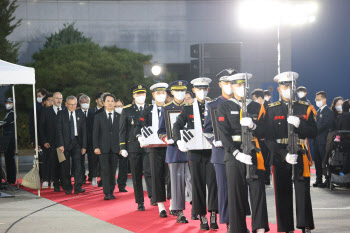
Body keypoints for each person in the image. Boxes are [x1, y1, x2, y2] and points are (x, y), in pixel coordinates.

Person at [263, 72, 316, 233]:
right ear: (279, 88)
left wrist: (300, 124)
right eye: (284, 86)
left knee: (303, 192)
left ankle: (305, 225)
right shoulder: (271, 109)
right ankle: (285, 228)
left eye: (290, 86)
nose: (287, 89)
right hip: (281, 155)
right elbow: (268, 138)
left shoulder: (305, 107)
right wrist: (283, 154)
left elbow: (314, 132)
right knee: (282, 193)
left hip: (299, 152)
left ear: (294, 87)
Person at [217, 73, 269, 233]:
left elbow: (265, 131)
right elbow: (223, 134)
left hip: (254, 153)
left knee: (258, 192)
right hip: (235, 156)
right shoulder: (225, 107)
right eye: (238, 85)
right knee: (236, 196)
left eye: (244, 85)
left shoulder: (256, 106)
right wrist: (235, 153)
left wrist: (254, 126)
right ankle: (238, 229)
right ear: (232, 86)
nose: (241, 88)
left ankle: (259, 228)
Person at [173, 78, 219, 230]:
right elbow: (177, 125)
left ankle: (213, 214)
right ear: (193, 90)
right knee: (197, 185)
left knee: (213, 184)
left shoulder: (213, 106)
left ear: (208, 90)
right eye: (199, 88)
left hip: (211, 150)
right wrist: (179, 141)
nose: (202, 91)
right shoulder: (188, 108)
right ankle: (202, 216)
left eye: (205, 88)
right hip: (194, 152)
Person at [203, 68, 238, 231]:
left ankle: (239, 219)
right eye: (226, 82)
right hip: (221, 153)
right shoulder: (213, 105)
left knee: (239, 188)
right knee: (224, 189)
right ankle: (228, 221)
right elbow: (207, 130)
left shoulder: (241, 102)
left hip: (240, 152)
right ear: (220, 84)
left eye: (232, 82)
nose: (229, 85)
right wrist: (213, 140)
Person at [158, 80, 190, 224]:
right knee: (177, 183)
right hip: (175, 150)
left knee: (194, 181)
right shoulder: (166, 109)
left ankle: (199, 210)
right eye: (177, 90)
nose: (180, 93)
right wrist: (167, 139)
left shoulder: (191, 107)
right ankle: (180, 212)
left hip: (193, 149)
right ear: (172, 92)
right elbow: (161, 131)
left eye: (183, 90)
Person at [137, 83, 169, 217]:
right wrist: (139, 137)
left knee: (170, 176)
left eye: (163, 93)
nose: (161, 95)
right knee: (157, 176)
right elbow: (139, 125)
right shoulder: (147, 110)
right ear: (153, 95)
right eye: (158, 93)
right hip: (154, 148)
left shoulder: (170, 108)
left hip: (169, 147)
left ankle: (173, 204)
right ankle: (161, 205)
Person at [119, 84, 153, 211]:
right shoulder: (127, 110)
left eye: (143, 94)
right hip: (133, 147)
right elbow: (122, 130)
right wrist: (122, 146)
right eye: (138, 94)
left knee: (149, 172)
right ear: (133, 96)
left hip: (149, 145)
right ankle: (140, 202)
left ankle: (152, 196)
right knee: (136, 175)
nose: (141, 96)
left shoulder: (151, 108)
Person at [56, 96, 87, 194]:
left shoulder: (80, 114)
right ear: (66, 104)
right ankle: (67, 187)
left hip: (77, 143)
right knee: (65, 166)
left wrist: (84, 146)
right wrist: (60, 144)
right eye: (70, 104)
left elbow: (84, 131)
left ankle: (78, 187)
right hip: (65, 144)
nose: (72, 106)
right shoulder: (61, 114)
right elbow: (59, 130)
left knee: (78, 166)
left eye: (74, 104)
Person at [93, 93, 121, 200]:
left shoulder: (119, 116)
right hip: (102, 148)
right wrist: (96, 147)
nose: (110, 103)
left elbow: (121, 133)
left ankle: (112, 190)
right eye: (108, 101)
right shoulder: (98, 116)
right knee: (105, 170)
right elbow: (95, 133)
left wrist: (121, 147)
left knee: (113, 170)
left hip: (115, 148)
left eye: (112, 101)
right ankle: (106, 192)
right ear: (103, 103)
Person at [39, 92, 64, 191]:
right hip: (50, 142)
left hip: (62, 143)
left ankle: (59, 181)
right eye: (57, 98)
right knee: (51, 161)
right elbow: (41, 127)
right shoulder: (46, 111)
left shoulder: (65, 110)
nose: (59, 100)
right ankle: (50, 180)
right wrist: (44, 141)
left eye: (60, 98)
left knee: (62, 162)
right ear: (53, 99)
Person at [313, 91, 334, 188]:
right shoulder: (316, 112)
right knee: (317, 161)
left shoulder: (329, 112)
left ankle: (328, 180)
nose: (317, 101)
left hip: (324, 141)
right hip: (316, 141)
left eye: (318, 99)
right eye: (316, 100)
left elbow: (325, 125)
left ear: (324, 99)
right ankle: (318, 180)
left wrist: (314, 131)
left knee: (325, 161)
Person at [252, 88, 271, 186]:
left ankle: (266, 179)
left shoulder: (269, 107)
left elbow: (270, 124)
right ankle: (263, 177)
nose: (254, 101)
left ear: (259, 98)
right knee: (262, 158)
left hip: (266, 139)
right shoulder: (257, 107)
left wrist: (266, 136)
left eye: (255, 98)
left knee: (266, 159)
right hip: (259, 138)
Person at [38, 93, 54, 188]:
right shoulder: (43, 112)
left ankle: (53, 179)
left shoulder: (58, 110)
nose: (51, 102)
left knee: (54, 161)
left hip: (56, 142)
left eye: (53, 100)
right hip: (46, 142)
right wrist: (44, 141)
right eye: (49, 100)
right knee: (45, 161)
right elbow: (41, 128)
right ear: (44, 102)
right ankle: (45, 179)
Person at [76, 94, 92, 184]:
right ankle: (81, 177)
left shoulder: (93, 112)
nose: (85, 104)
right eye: (83, 102)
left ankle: (91, 176)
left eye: (87, 102)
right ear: (80, 103)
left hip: (91, 141)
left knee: (92, 160)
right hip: (80, 141)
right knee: (80, 161)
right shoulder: (76, 112)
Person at [0, 97, 16, 184]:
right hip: (7, 139)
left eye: (10, 103)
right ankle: (10, 179)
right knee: (7, 159)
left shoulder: (12, 113)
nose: (8, 104)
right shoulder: (8, 113)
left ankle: (11, 179)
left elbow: (5, 122)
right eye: (7, 102)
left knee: (10, 159)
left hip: (10, 140)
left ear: (13, 104)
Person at [114, 99, 128, 192]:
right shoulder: (111, 116)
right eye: (116, 106)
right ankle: (110, 185)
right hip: (113, 146)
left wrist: (122, 147)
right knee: (112, 167)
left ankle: (122, 185)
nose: (118, 108)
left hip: (124, 145)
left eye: (120, 106)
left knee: (124, 167)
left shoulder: (126, 116)